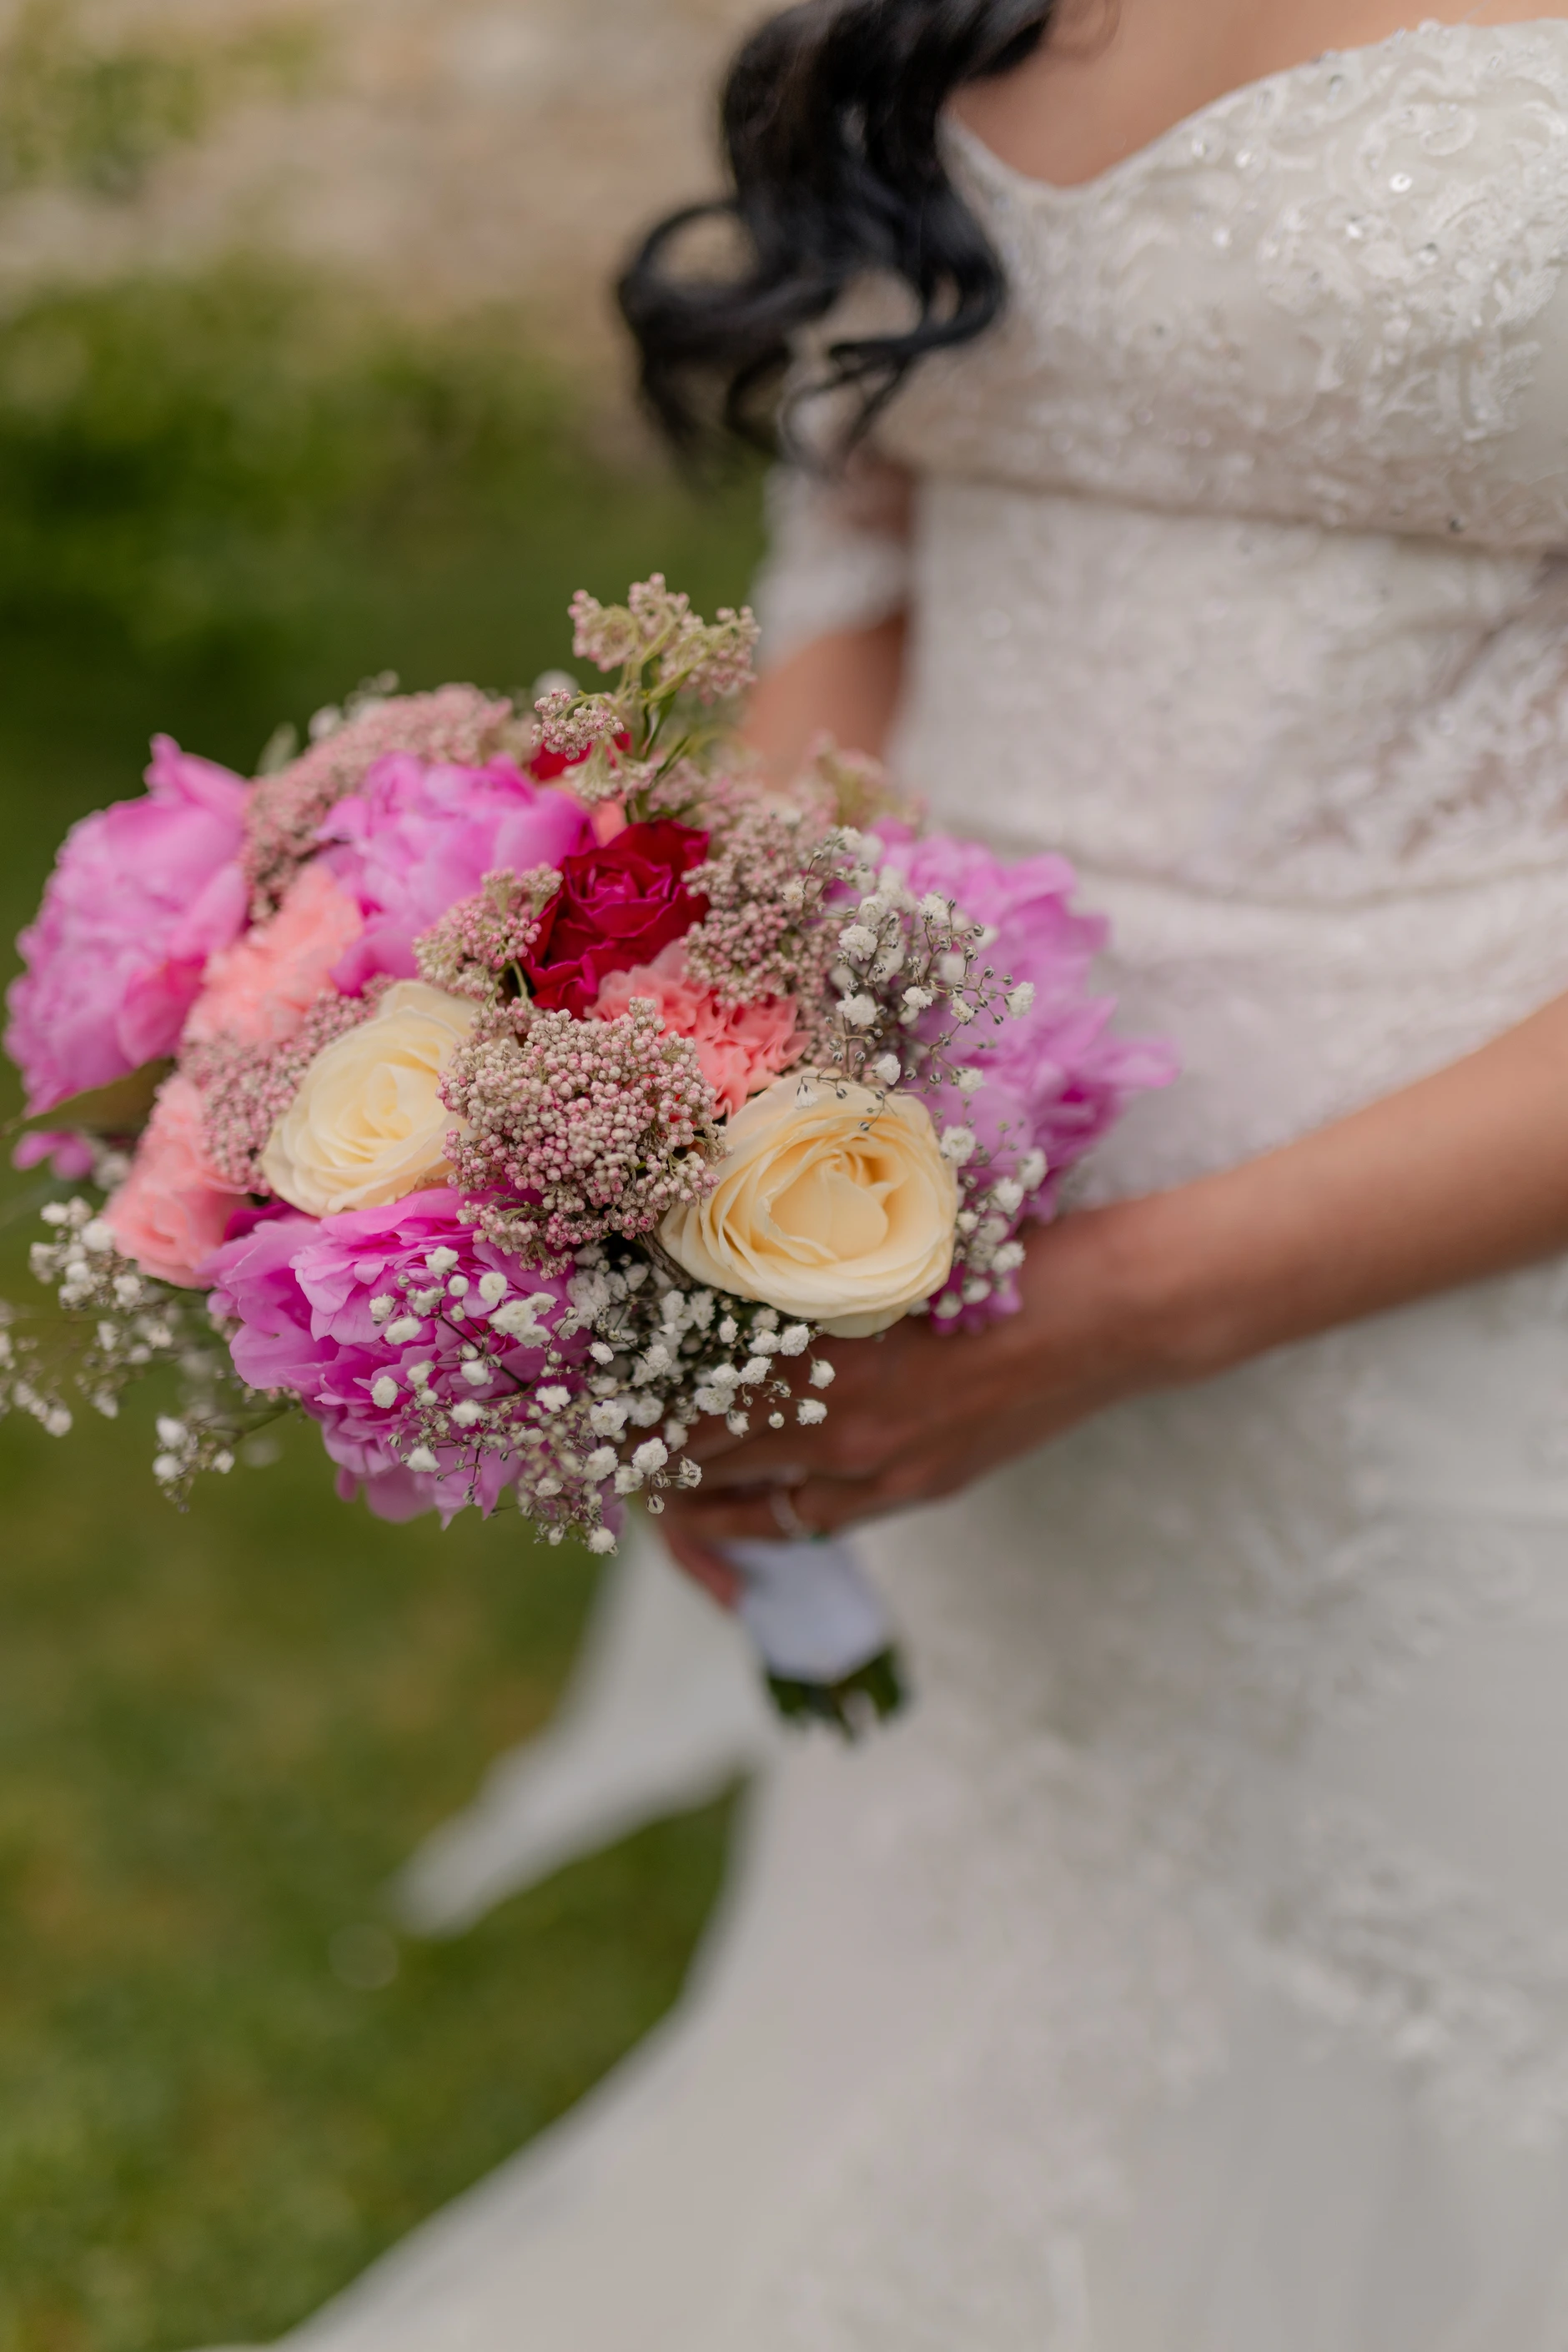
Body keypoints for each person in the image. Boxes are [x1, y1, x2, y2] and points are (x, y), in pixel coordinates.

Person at [273, 3, 1568, 2344]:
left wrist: (1126, 1309)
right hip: (939, 1213)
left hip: (1453, 1269)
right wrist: (712, 1100)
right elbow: (861, 559)